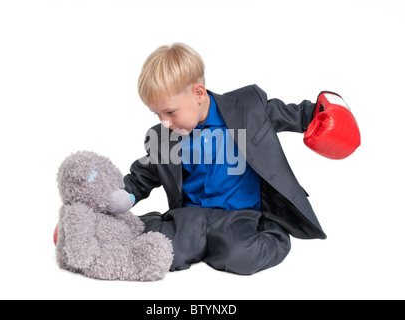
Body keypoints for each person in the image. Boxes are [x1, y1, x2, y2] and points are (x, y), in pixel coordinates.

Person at [123, 43, 356, 275]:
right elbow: (144, 175)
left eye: (171, 112)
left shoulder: (248, 109)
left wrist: (329, 113)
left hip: (240, 214)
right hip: (191, 215)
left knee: (242, 256)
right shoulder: (166, 137)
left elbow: (299, 113)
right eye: (158, 114)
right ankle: (190, 239)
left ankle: (262, 230)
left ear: (198, 94)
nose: (164, 122)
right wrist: (124, 195)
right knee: (161, 251)